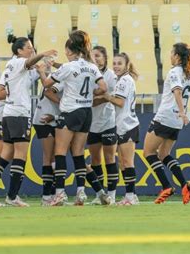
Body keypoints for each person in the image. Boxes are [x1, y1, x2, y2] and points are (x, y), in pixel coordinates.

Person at [0, 34, 57, 207]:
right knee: (20, 155)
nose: (32, 50)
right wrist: (43, 53)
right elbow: (28, 64)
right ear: (20, 50)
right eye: (29, 48)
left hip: (9, 114)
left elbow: (36, 75)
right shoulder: (18, 62)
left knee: (6, 155)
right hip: (19, 114)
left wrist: (46, 67)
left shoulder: (18, 68)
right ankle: (12, 196)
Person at [38, 30, 110, 206]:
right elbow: (104, 87)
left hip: (70, 111)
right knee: (78, 154)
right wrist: (91, 94)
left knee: (60, 152)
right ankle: (81, 193)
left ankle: (60, 193)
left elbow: (47, 85)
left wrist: (42, 71)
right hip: (86, 112)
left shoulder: (68, 67)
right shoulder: (91, 67)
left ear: (69, 51)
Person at [143, 43, 190, 204]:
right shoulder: (188, 74)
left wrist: (183, 111)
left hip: (166, 117)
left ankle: (166, 186)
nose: (170, 56)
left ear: (177, 56)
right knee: (164, 155)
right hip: (177, 121)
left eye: (171, 53)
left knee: (148, 152)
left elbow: (177, 91)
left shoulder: (174, 72)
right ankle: (185, 185)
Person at [99, 52, 140, 206]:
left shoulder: (124, 80)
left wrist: (106, 96)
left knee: (127, 162)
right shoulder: (123, 79)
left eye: (119, 63)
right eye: (114, 63)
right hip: (123, 125)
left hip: (128, 124)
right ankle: (131, 195)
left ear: (126, 65)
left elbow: (120, 102)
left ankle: (130, 196)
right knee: (123, 162)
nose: (116, 66)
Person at [88, 46, 119, 205]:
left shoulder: (110, 75)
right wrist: (100, 96)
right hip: (92, 124)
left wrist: (93, 99)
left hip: (108, 121)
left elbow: (110, 97)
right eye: (93, 56)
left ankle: (112, 194)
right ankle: (100, 195)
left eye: (98, 56)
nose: (96, 59)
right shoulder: (89, 73)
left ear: (105, 58)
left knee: (109, 158)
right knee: (95, 160)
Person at [32, 66, 64, 206]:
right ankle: (47, 196)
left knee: (56, 157)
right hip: (44, 118)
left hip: (55, 118)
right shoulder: (62, 79)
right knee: (49, 156)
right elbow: (47, 92)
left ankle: (53, 195)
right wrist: (64, 103)